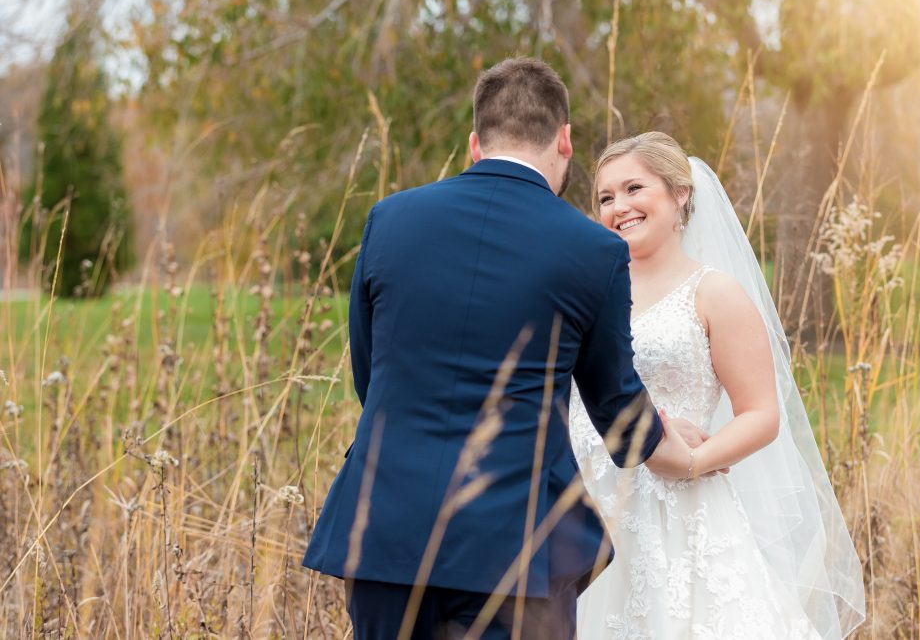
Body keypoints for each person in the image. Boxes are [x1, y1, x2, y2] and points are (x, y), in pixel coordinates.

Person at [303, 60, 703, 639]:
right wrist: (672, 438)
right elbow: (618, 414)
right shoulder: (592, 249)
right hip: (514, 548)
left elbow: (372, 381)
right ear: (564, 140)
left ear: (474, 143)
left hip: (384, 533)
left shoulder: (388, 220)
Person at [569, 132, 866, 639]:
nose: (619, 207)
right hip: (586, 511)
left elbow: (761, 413)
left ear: (680, 193)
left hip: (678, 518)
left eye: (634, 189)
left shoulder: (714, 293)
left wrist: (689, 463)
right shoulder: (586, 291)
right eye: (606, 197)